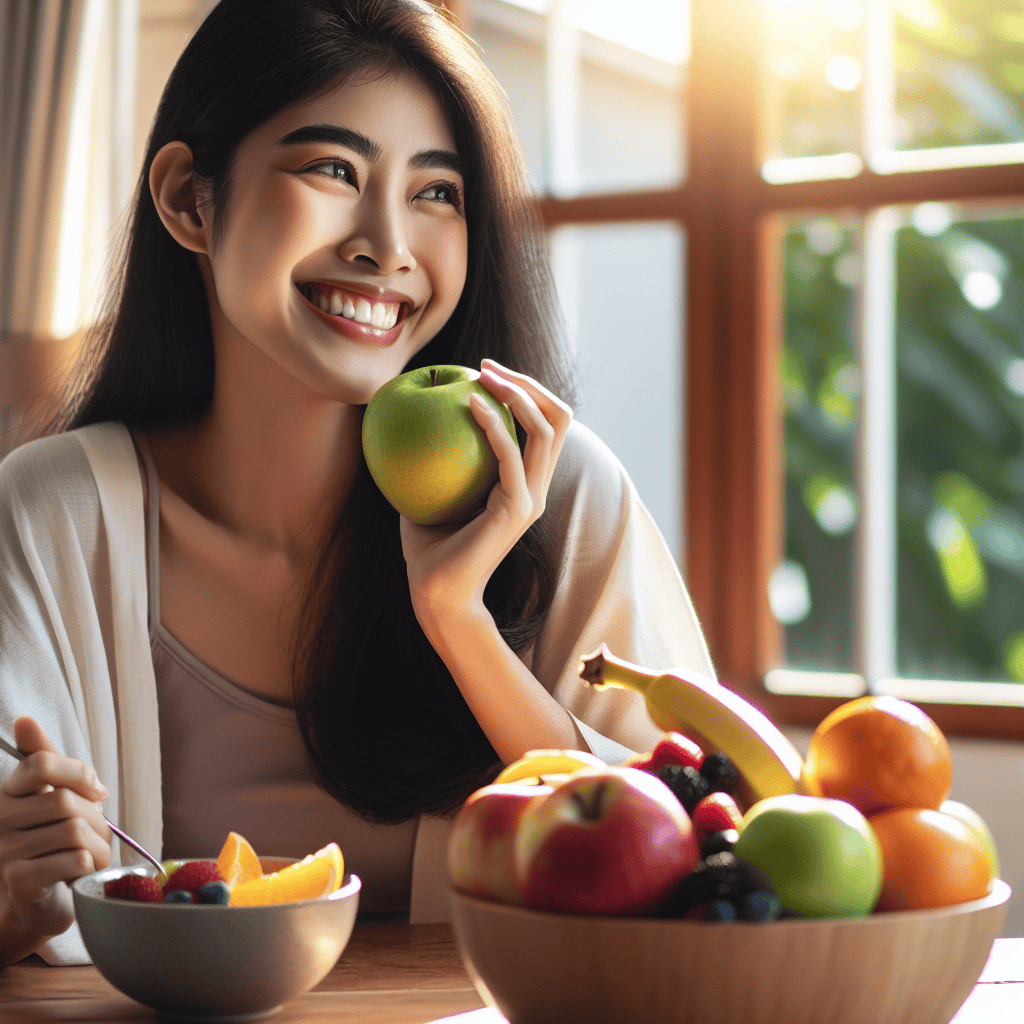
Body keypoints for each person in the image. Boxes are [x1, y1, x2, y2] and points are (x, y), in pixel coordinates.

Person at [0, 0, 713, 967]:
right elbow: (24, 899)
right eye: (333, 170)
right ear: (188, 200)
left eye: (438, 192)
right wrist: (15, 903)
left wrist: (459, 620)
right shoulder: (50, 512)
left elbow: (703, 869)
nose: (388, 242)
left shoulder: (554, 489)